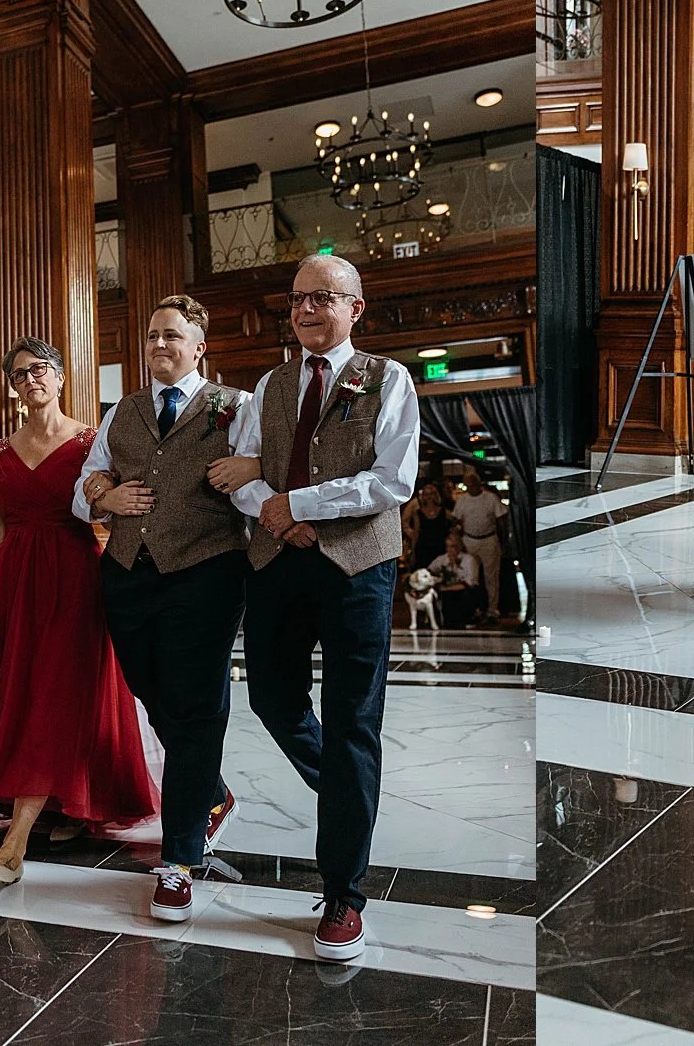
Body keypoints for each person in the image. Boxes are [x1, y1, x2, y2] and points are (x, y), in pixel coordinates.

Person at [230, 254, 419, 960]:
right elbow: (247, 474)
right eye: (297, 299)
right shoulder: (269, 384)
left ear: (355, 309)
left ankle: (344, 893)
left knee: (352, 722)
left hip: (356, 569)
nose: (306, 309)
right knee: (273, 701)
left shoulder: (389, 378)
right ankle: (350, 795)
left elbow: (391, 479)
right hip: (277, 562)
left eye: (322, 298)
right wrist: (278, 515)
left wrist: (301, 505)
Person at [73, 295, 259, 923]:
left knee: (196, 707)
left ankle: (179, 861)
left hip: (206, 573)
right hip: (126, 574)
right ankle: (210, 790)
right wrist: (106, 493)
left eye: (173, 336)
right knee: (152, 694)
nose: (159, 345)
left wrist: (250, 468)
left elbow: (264, 479)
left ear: (200, 345)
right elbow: (85, 487)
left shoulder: (236, 408)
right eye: (152, 335)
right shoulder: (120, 411)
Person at [0, 337, 155, 886]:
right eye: (19, 375)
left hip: (75, 577)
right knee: (20, 694)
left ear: (62, 377)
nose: (31, 380)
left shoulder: (93, 441)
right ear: (13, 387)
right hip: (13, 581)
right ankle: (62, 806)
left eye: (40, 370)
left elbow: (109, 509)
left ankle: (18, 838)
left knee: (58, 693)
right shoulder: (0, 450)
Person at [453, 471, 508, 624]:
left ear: (479, 484)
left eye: (473, 484)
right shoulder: (462, 500)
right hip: (470, 540)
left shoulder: (490, 498)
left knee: (491, 577)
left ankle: (492, 610)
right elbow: (455, 520)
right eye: (468, 484)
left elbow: (502, 520)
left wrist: (504, 542)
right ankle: (475, 609)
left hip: (489, 539)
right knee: (472, 576)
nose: (471, 487)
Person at [428, 532, 486, 628]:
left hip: (466, 592)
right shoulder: (442, 559)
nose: (450, 550)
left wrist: (447, 588)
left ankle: (469, 618)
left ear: (459, 546)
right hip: (447, 592)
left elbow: (470, 582)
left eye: (453, 546)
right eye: (448, 547)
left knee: (466, 594)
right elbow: (429, 571)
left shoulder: (469, 560)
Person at [403, 482, 452, 572]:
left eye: (431, 493)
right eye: (426, 494)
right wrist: (413, 552)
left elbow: (454, 525)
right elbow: (416, 532)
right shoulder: (417, 512)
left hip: (440, 547)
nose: (429, 496)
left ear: (436, 495)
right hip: (423, 548)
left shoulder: (444, 511)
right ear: (423, 496)